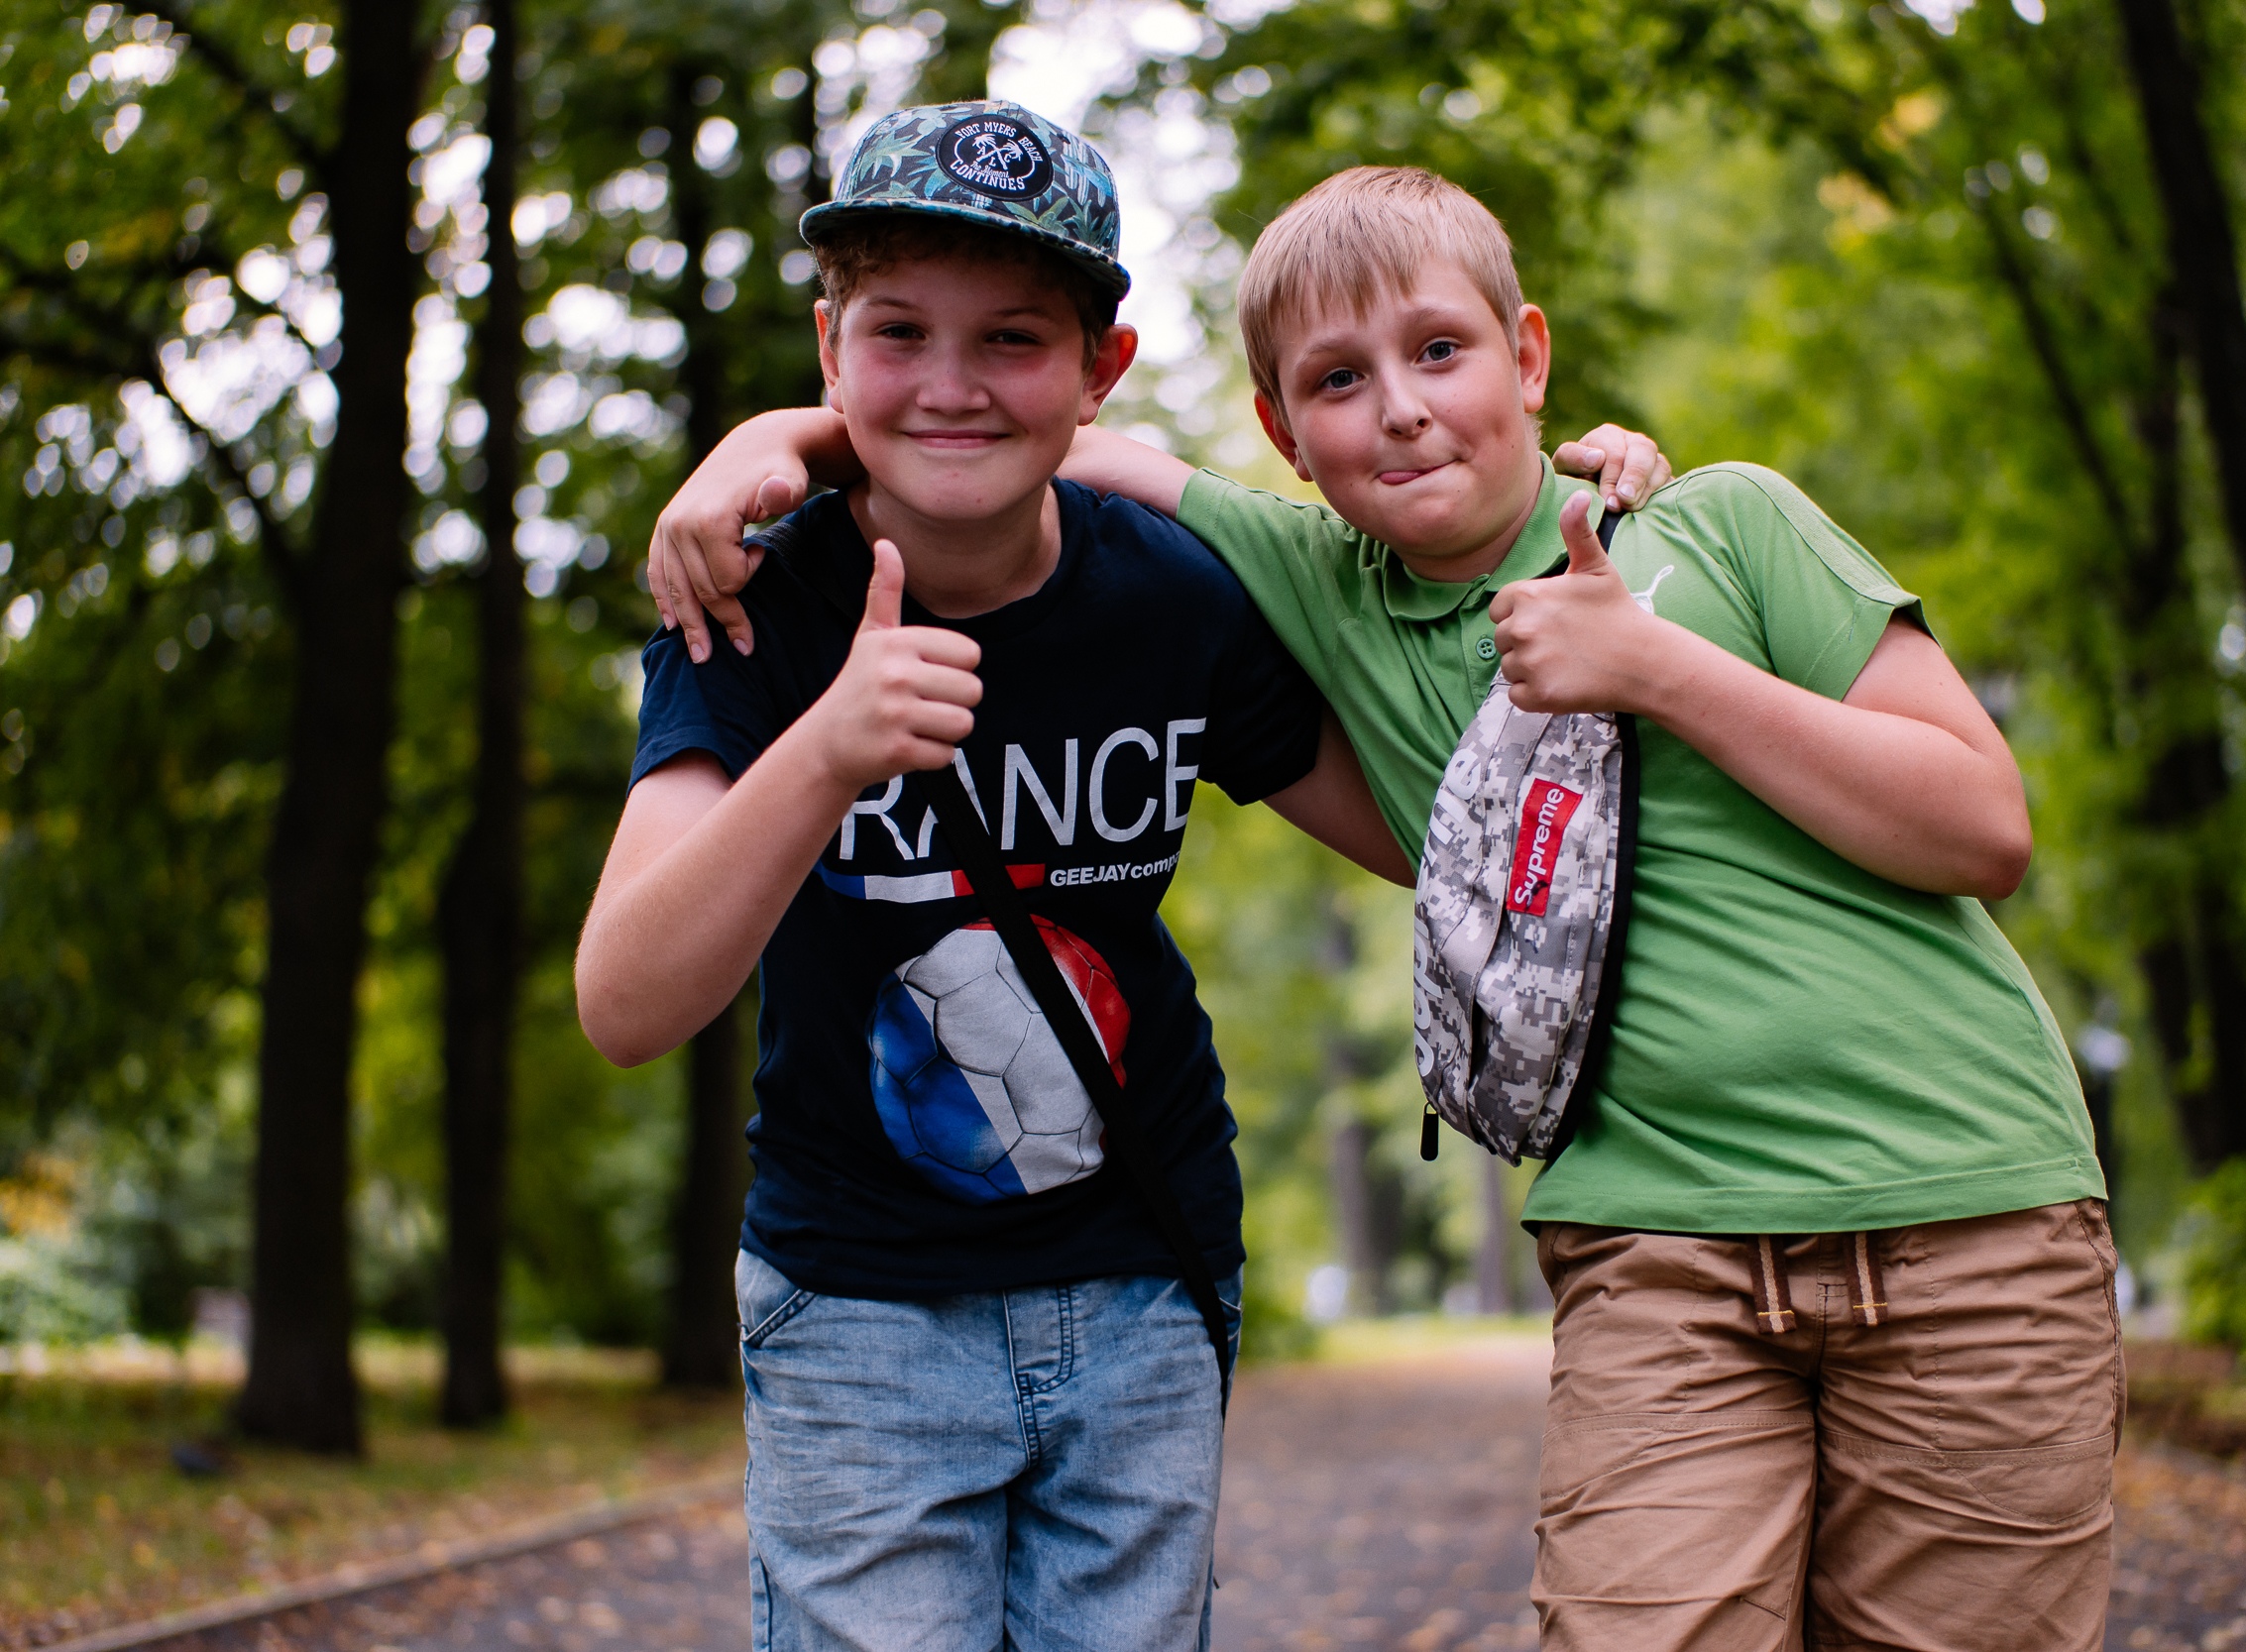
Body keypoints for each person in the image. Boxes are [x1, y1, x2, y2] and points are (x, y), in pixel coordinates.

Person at [649, 163, 2121, 1652]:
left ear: (1529, 356)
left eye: (1440, 350)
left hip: (1972, 1211)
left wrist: (1659, 668)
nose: (1402, 409)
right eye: (1338, 381)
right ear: (1287, 435)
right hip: (1656, 1238)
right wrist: (766, 444)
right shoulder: (1312, 584)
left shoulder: (1723, 527)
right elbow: (1028, 435)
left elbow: (1984, 826)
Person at [574, 103, 1420, 1652]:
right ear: (831, 352)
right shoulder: (752, 613)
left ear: (1100, 372)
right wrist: (825, 750)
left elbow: (1423, 838)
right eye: (900, 333)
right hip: (862, 1319)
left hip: (1145, 1286)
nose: (953, 386)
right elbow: (627, 1002)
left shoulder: (1173, 595)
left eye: (1015, 339)